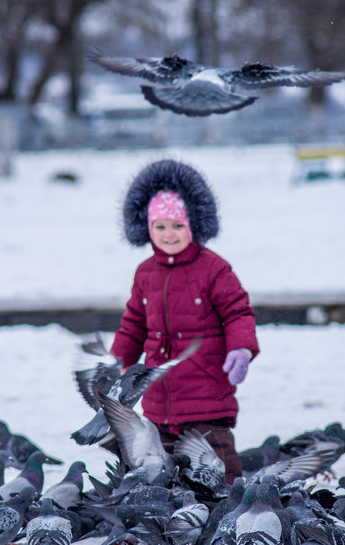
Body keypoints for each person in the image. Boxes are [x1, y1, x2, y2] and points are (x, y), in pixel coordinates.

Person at [110, 159, 259, 483]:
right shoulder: (145, 272)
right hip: (158, 397)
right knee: (163, 471)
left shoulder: (213, 268)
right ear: (147, 228)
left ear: (193, 225)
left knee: (217, 467)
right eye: (160, 227)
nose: (169, 234)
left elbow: (237, 312)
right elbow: (134, 323)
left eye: (177, 226)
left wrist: (241, 350)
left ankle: (229, 514)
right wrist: (119, 361)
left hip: (206, 394)